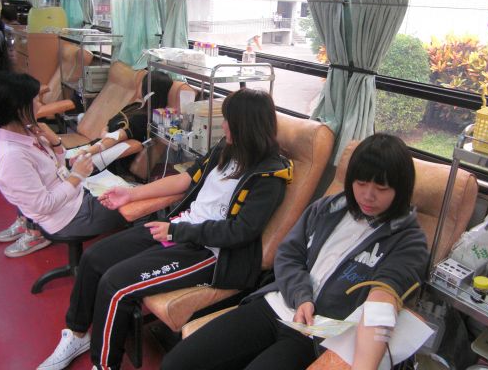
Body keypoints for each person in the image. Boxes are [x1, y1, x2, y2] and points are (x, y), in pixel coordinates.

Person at [38, 88, 293, 370]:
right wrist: (131, 194)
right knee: (93, 258)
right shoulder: (227, 148)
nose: (224, 126)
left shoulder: (270, 176)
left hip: (210, 252)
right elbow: (186, 179)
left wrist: (177, 232)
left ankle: (104, 365)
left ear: (246, 126)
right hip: (180, 228)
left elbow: (239, 232)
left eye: (228, 121)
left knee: (116, 285)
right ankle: (76, 334)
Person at [161, 133, 429, 370]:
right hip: (278, 304)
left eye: (381, 189)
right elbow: (289, 254)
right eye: (361, 184)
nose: (368, 196)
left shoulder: (408, 241)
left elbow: (382, 302)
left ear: (400, 190)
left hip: (317, 332)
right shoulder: (328, 208)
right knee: (177, 362)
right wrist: (302, 297)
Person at [0, 71, 127, 257]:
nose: (40, 105)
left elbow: (56, 167)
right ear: (19, 108)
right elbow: (43, 205)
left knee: (128, 194)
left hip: (74, 199)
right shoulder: (11, 157)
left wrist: (55, 142)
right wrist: (76, 176)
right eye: (36, 100)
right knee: (137, 205)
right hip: (68, 217)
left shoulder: (27, 133)